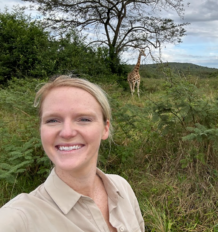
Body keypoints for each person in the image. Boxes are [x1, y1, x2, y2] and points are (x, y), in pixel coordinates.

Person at [0, 75, 145, 232]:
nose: (67, 132)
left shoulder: (121, 187)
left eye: (84, 119)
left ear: (105, 128)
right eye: (53, 120)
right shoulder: (19, 219)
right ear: (41, 129)